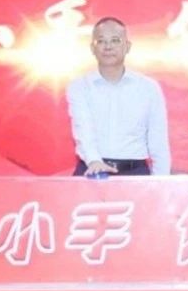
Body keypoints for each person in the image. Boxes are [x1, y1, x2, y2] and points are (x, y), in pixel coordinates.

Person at [66, 17, 170, 176]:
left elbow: (158, 140)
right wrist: (94, 161)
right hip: (91, 169)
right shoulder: (80, 86)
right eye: (101, 41)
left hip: (135, 172)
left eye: (115, 40)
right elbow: (83, 129)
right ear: (92, 48)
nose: (108, 47)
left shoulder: (148, 88)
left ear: (127, 46)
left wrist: (162, 181)